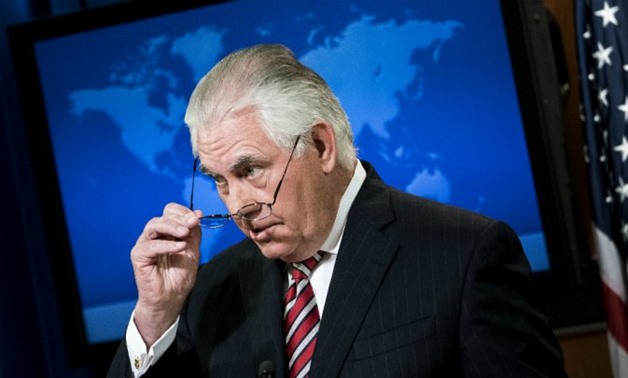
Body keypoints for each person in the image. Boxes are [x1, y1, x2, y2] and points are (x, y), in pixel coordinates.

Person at [108, 43, 567, 377]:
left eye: (251, 170)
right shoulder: (209, 291)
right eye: (219, 181)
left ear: (322, 146)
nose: (238, 206)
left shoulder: (464, 255)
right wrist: (156, 315)